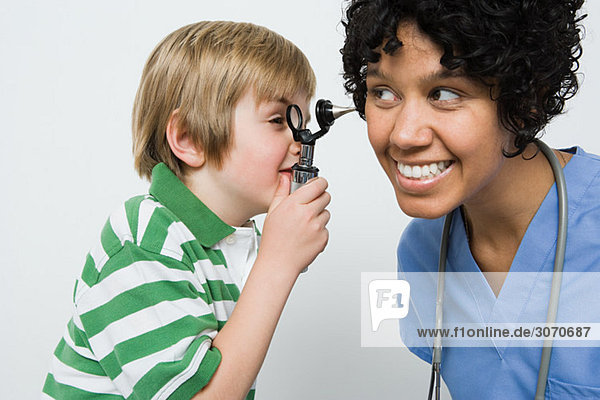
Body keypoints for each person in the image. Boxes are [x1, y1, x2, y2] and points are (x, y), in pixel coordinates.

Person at [42, 21, 330, 400]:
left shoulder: (237, 244)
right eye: (279, 120)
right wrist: (277, 264)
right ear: (189, 138)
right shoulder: (143, 241)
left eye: (303, 123)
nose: (301, 140)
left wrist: (277, 254)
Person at [342, 0, 600, 398]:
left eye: (444, 93)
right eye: (384, 92)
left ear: (525, 99)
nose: (403, 136)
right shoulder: (423, 252)